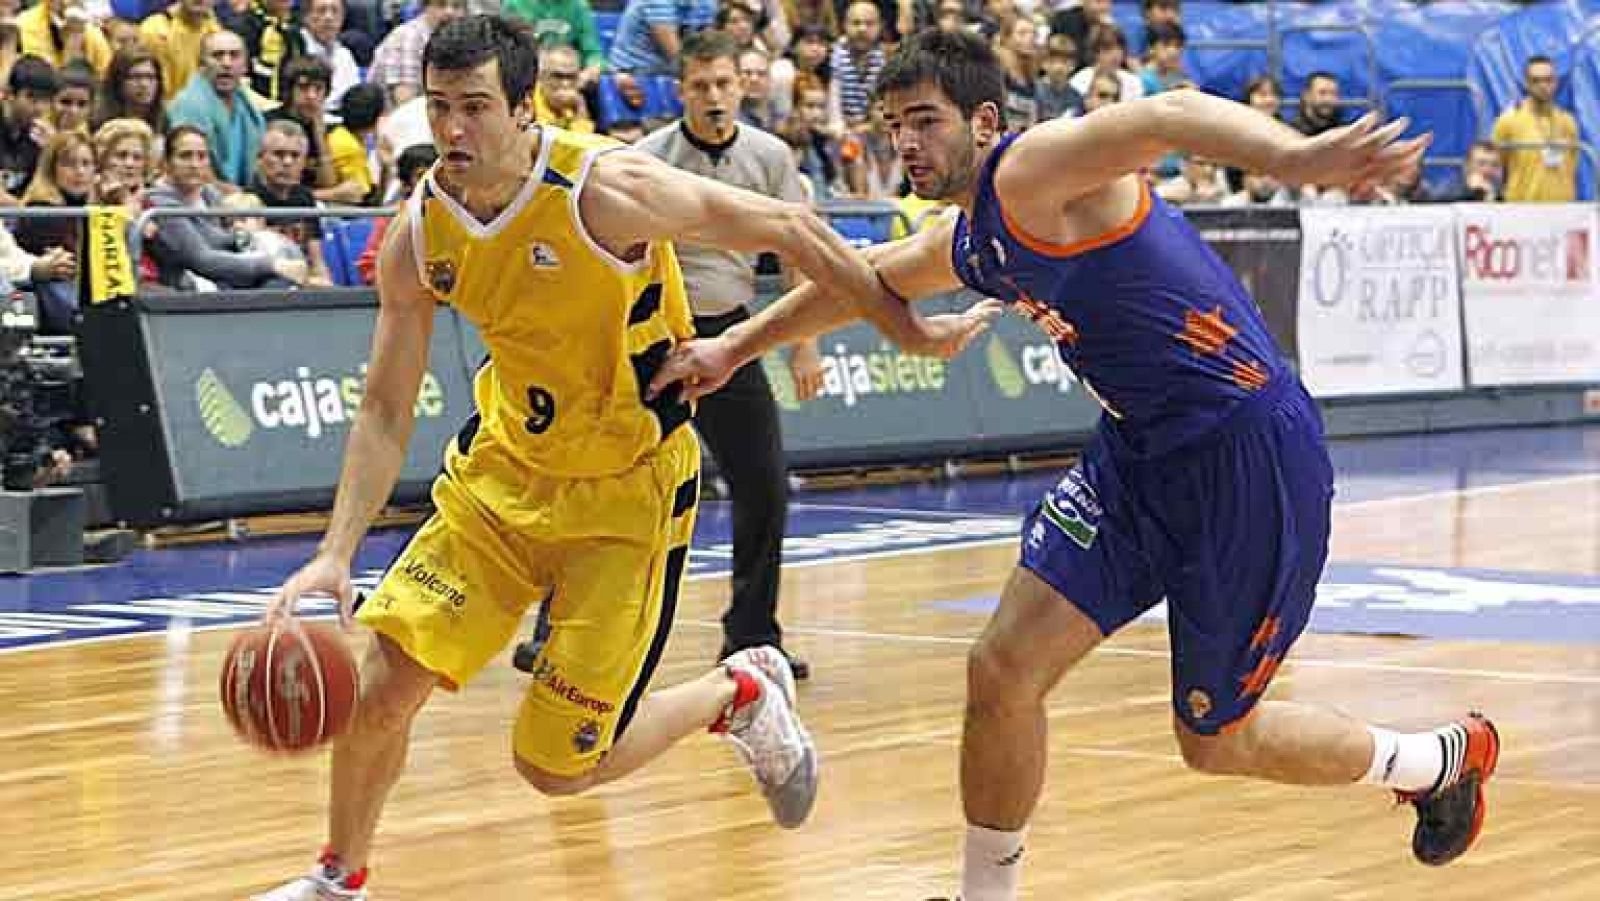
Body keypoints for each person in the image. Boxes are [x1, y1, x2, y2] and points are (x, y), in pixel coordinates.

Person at [650, 30, 1499, 901]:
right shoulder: (976, 237)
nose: (906, 142)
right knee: (1001, 670)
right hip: (1135, 458)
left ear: (983, 121)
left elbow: (1168, 114)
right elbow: (860, 278)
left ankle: (1435, 760)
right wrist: (734, 346)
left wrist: (1296, 155)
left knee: (1214, 739)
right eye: (894, 124)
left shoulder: (1031, 172)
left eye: (926, 121)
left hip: (1248, 458)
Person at [255, 14, 901, 901]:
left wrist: (906, 325)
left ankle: (737, 692)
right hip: (500, 482)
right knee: (381, 688)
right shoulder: (422, 228)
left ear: (525, 108)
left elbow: (790, 222)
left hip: (625, 500)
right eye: (438, 106)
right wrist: (336, 549)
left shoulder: (610, 189)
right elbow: (384, 402)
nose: (452, 129)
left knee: (556, 768)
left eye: (475, 106)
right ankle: (338, 877)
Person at [579, 28, 821, 678]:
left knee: (764, 486)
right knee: (603, 486)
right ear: (680, 89)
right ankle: (560, 629)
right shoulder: (651, 157)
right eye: (700, 86)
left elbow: (799, 253)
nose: (714, 97)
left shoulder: (771, 157)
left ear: (742, 85)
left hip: (733, 336)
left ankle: (751, 635)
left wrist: (804, 345)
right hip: (657, 340)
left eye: (724, 84)